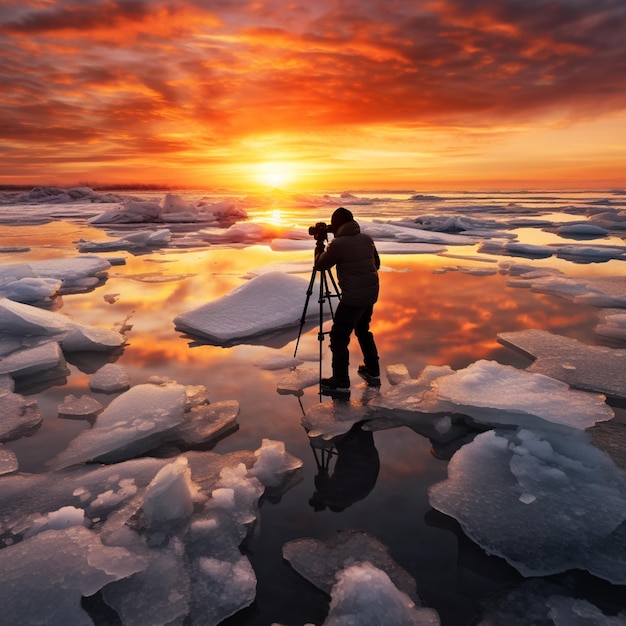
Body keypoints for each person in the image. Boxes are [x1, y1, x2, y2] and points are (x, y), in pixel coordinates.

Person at [314, 207, 380, 394]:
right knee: (362, 329)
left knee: (339, 337)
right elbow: (377, 264)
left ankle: (341, 380)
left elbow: (321, 265)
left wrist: (319, 246)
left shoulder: (338, 245)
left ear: (337, 225)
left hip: (353, 298)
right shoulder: (367, 239)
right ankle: (373, 371)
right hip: (370, 294)